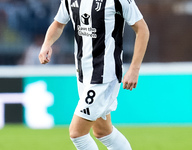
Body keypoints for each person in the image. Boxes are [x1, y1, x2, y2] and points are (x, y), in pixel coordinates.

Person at [39, 0, 149, 149]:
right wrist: (47, 44)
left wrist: (134, 69)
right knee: (103, 132)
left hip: (104, 75)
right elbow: (58, 24)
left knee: (77, 133)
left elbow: (142, 29)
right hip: (83, 74)